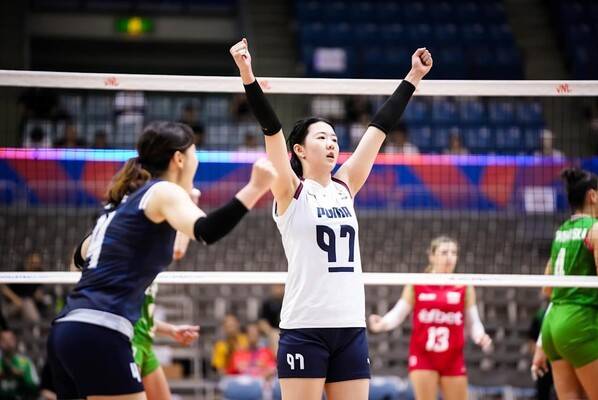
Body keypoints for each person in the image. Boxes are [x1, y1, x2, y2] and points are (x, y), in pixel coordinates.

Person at [230, 37, 432, 400]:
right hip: (305, 328)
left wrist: (413, 77)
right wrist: (247, 74)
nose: (331, 143)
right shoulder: (290, 190)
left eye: (335, 138)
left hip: (350, 327)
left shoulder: (345, 186)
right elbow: (272, 131)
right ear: (299, 150)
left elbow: (379, 130)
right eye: (322, 137)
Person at [47, 121, 276, 399]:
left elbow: (79, 258)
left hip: (67, 329)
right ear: (179, 159)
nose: (196, 162)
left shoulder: (123, 205)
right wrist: (255, 188)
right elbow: (206, 231)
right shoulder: (162, 191)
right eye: (195, 154)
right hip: (102, 329)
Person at [369, 236, 492, 400]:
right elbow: (398, 314)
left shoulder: (464, 285)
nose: (449, 257)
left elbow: (474, 321)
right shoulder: (417, 283)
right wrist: (382, 324)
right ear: (432, 256)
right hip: (424, 356)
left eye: (454, 253)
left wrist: (480, 336)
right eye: (444, 252)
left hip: (453, 357)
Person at [531, 168, 598, 399]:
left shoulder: (561, 233)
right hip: (580, 321)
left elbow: (548, 289)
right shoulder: (596, 228)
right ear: (592, 196)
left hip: (553, 326)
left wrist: (541, 343)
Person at [0, 330, 40, 399]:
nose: (8, 342)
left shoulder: (25, 363)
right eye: (4, 340)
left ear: (15, 341)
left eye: (10, 339)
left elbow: (35, 387)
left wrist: (23, 377)